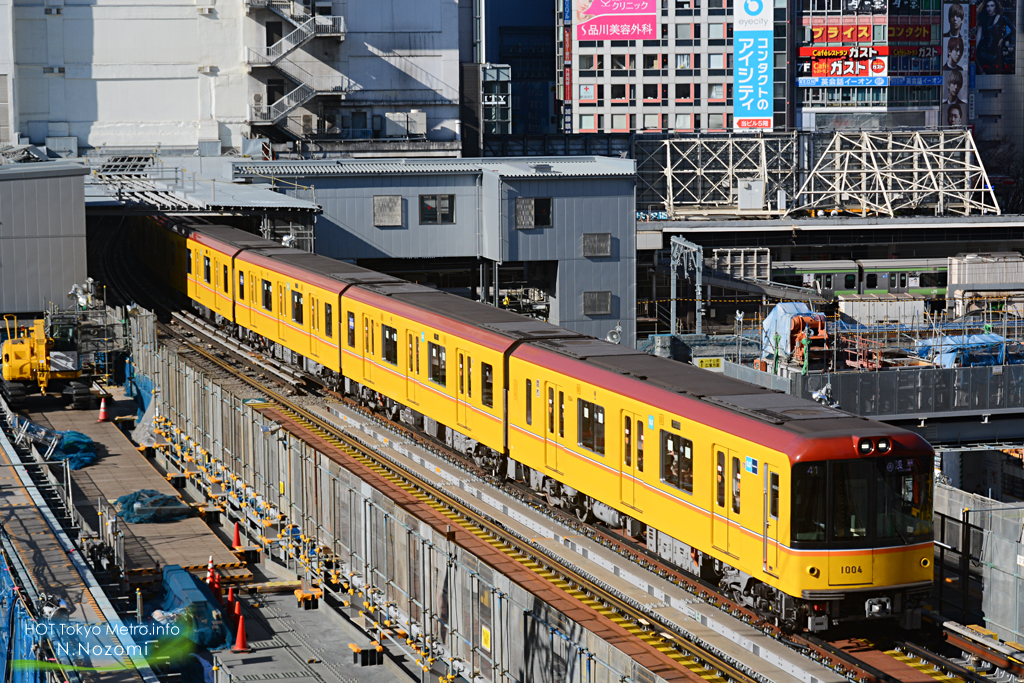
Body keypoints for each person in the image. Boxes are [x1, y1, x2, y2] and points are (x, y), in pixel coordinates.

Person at [977, 0, 1016, 74]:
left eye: (992, 5)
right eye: (987, 6)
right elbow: (979, 35)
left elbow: (1013, 29)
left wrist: (1002, 39)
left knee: (994, 73)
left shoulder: (1002, 17)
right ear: (985, 7)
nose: (990, 8)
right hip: (983, 50)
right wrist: (975, 49)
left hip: (995, 51)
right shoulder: (983, 18)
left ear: (996, 6)